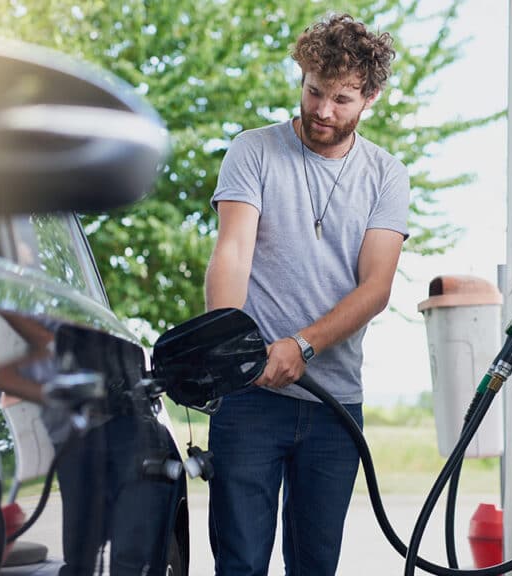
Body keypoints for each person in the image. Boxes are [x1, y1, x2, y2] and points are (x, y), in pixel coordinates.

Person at [203, 13, 409, 576]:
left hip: (334, 406)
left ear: (371, 97)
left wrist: (301, 346)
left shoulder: (387, 176)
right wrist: (232, 351)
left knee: (315, 566)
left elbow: (376, 287)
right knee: (240, 562)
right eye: (314, 91)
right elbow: (232, 253)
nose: (322, 110)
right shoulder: (253, 151)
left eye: (341, 99)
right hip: (248, 397)